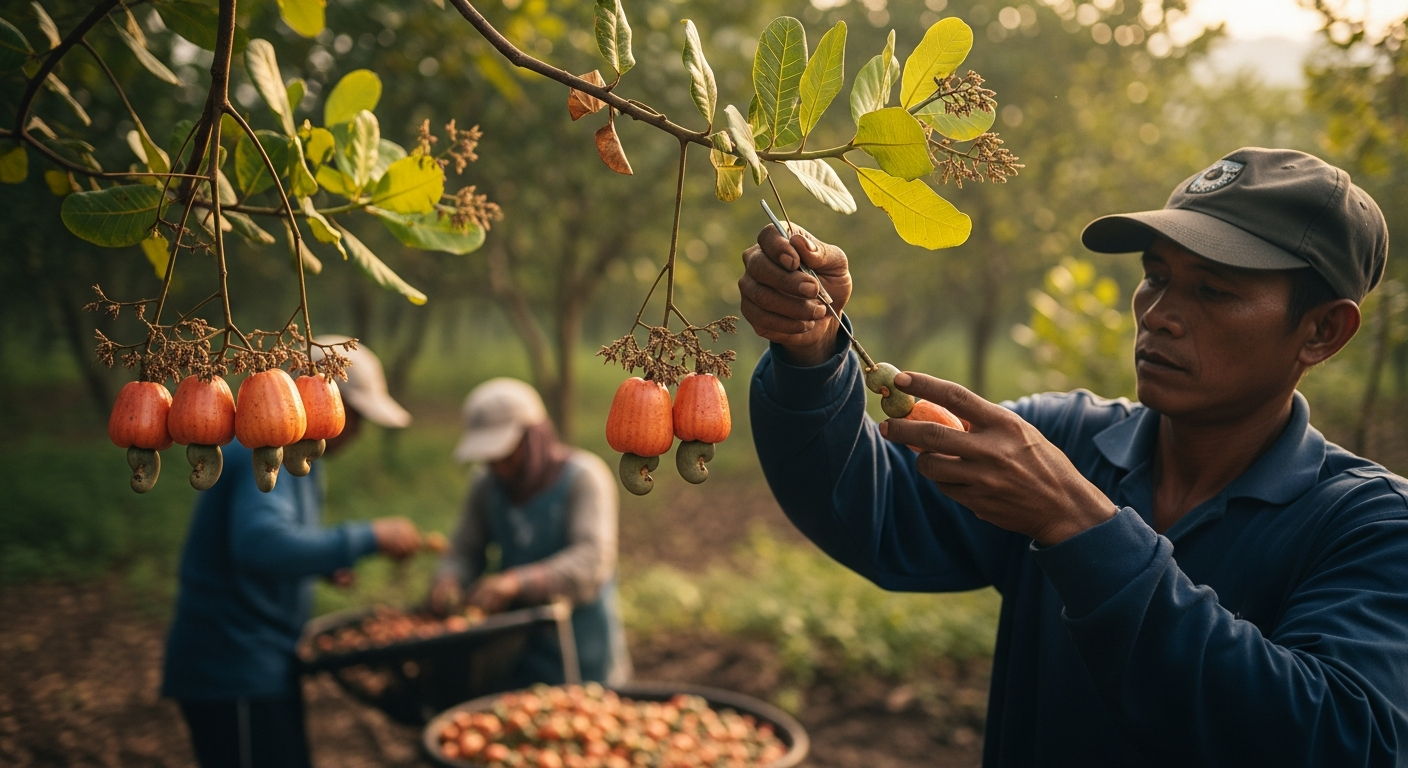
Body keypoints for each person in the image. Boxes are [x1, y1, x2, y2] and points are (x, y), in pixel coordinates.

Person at [739, 147, 1408, 766]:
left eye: (1213, 290)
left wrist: (1079, 525)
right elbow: (870, 511)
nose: (1159, 314)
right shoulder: (1066, 441)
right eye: (1156, 277)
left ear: (1322, 331)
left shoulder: (1372, 528)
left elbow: (1340, 738)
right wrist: (811, 354)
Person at [161, 337, 423, 768]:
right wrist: (368, 536)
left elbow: (277, 544)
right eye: (354, 416)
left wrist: (319, 563)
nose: (354, 431)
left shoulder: (300, 458)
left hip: (263, 664)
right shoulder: (265, 452)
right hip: (233, 668)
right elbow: (260, 544)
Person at [430, 377, 630, 687]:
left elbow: (593, 560)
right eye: (490, 459)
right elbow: (465, 549)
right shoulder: (485, 485)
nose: (499, 468)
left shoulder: (584, 478)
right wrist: (449, 579)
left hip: (581, 644)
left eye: (507, 455)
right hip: (516, 646)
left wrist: (516, 583)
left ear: (534, 438)